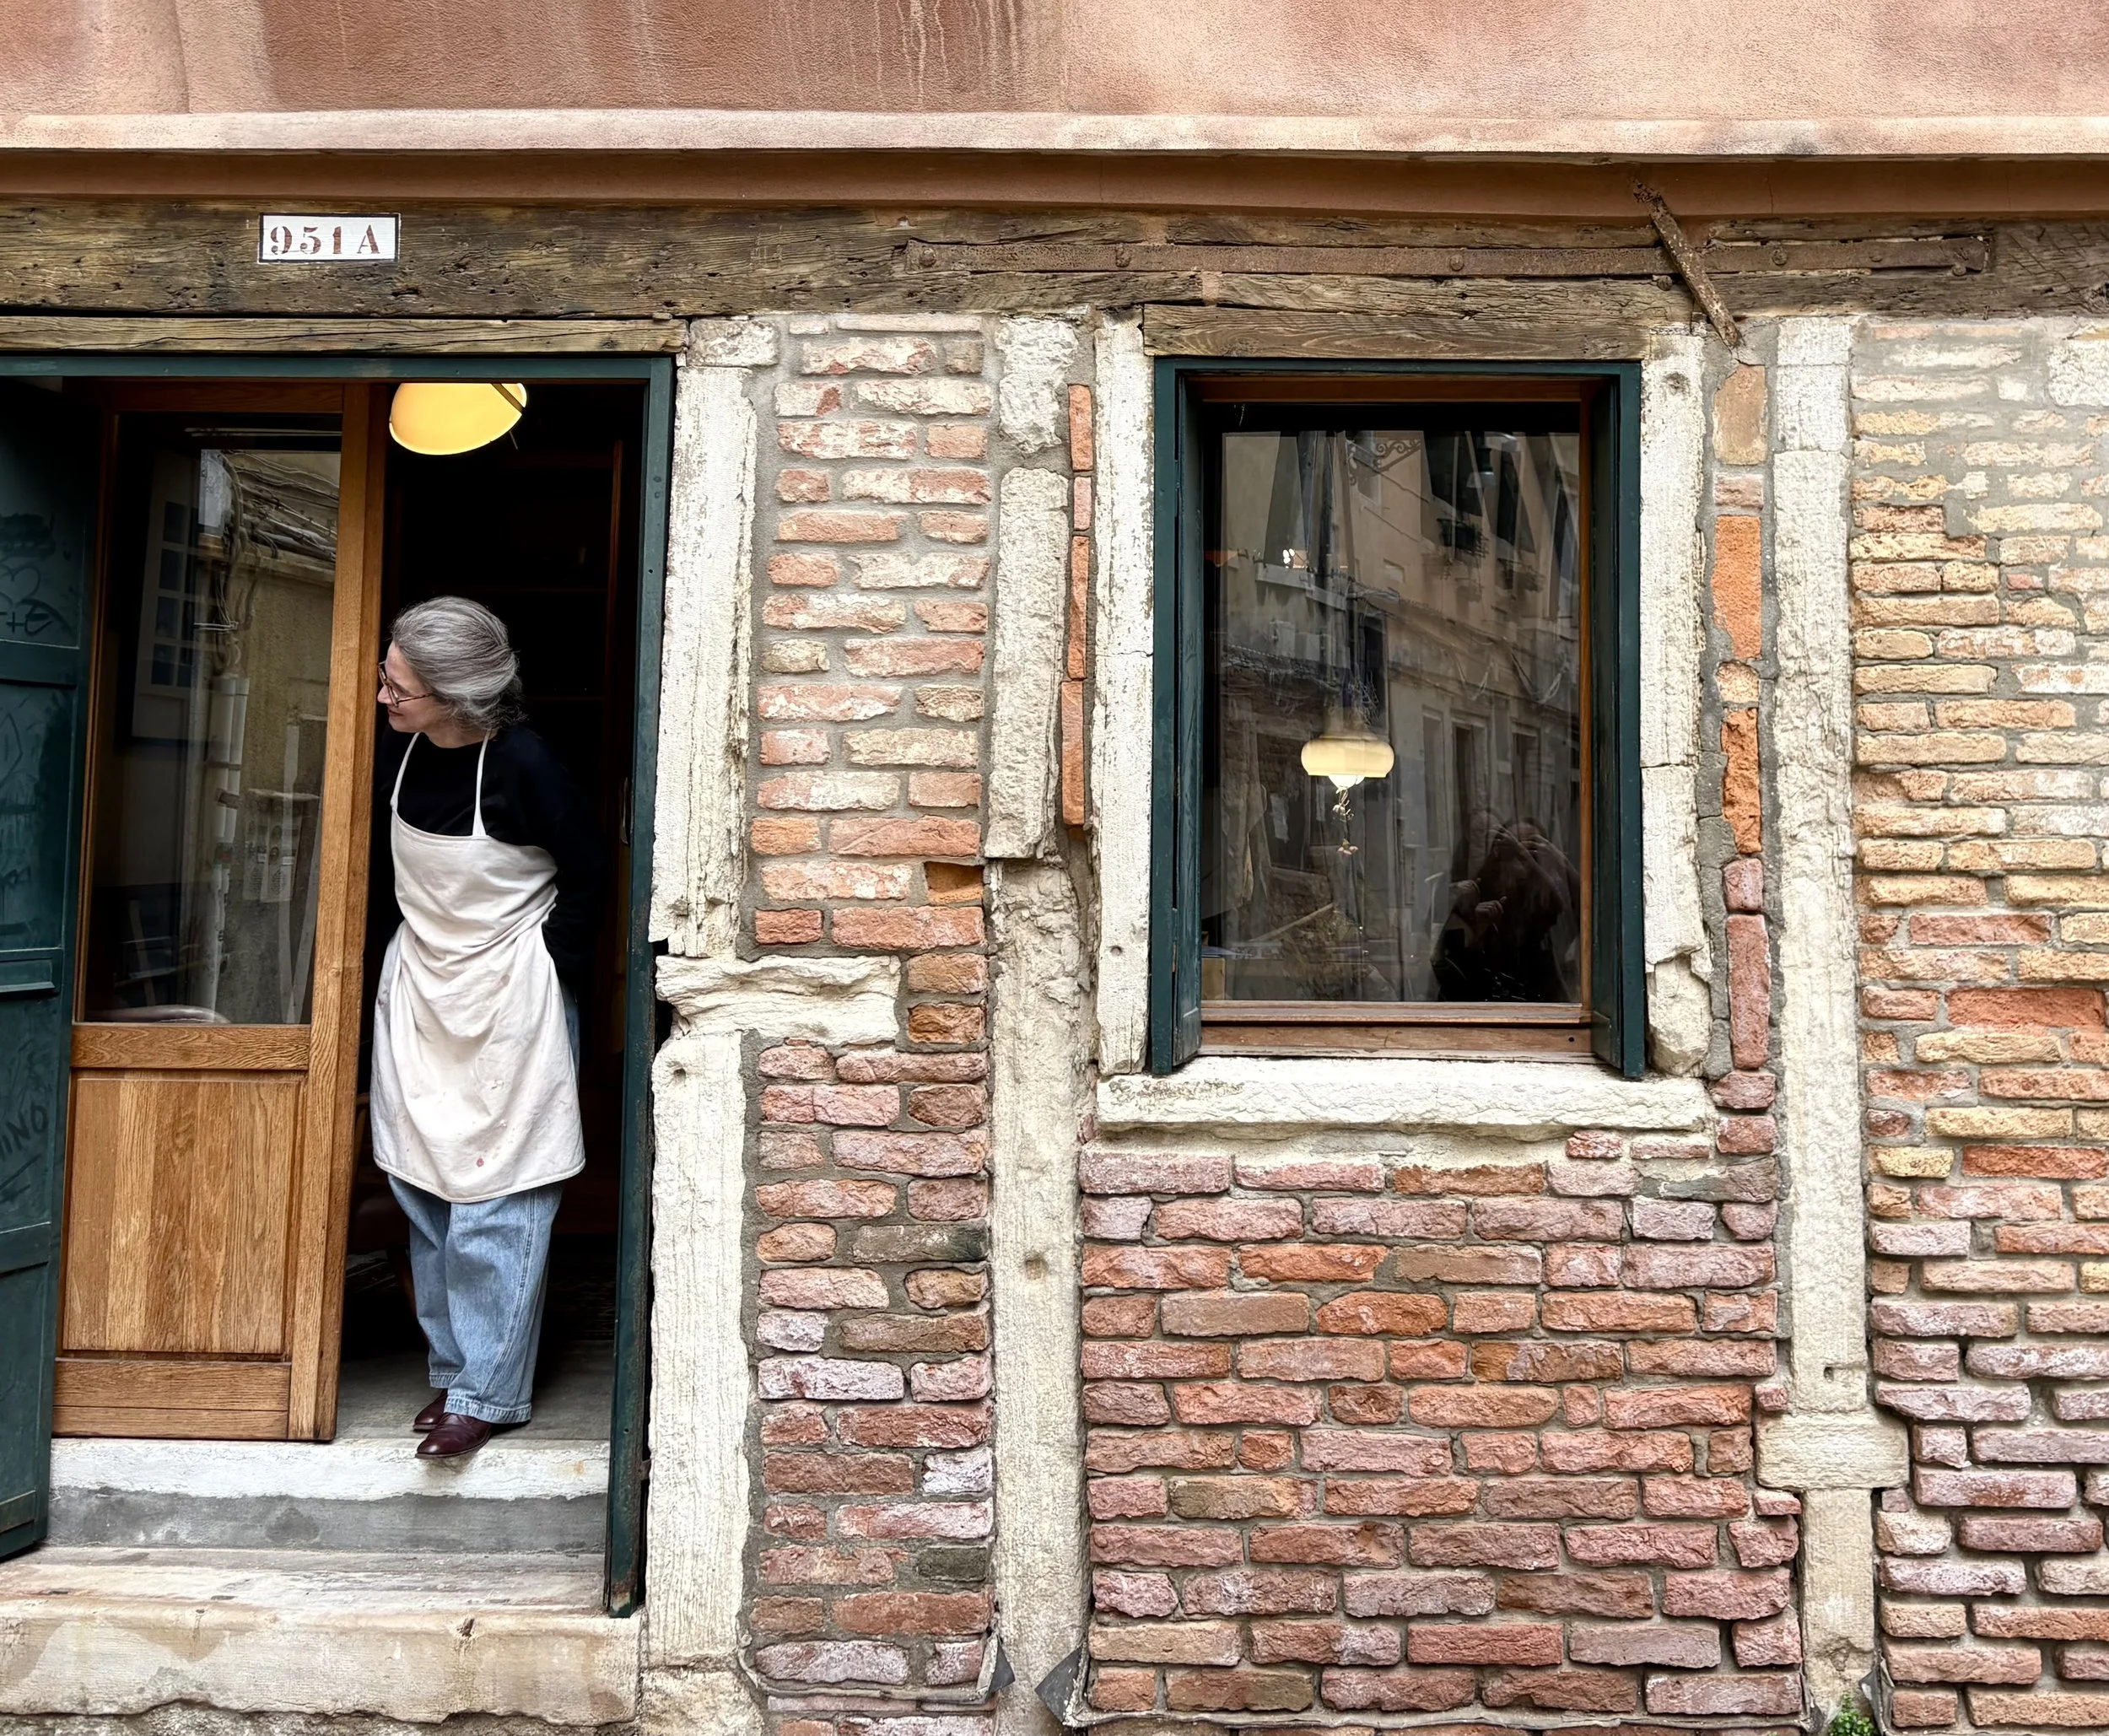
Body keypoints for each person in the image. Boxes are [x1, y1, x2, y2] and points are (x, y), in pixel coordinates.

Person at [368, 596, 602, 1459]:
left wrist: (551, 965)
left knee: (499, 1199)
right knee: (424, 1188)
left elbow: (586, 872)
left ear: (459, 697)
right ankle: (453, 1369)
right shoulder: (398, 757)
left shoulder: (527, 765)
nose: (383, 698)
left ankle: (489, 1392)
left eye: (399, 687)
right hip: (423, 990)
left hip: (511, 996)